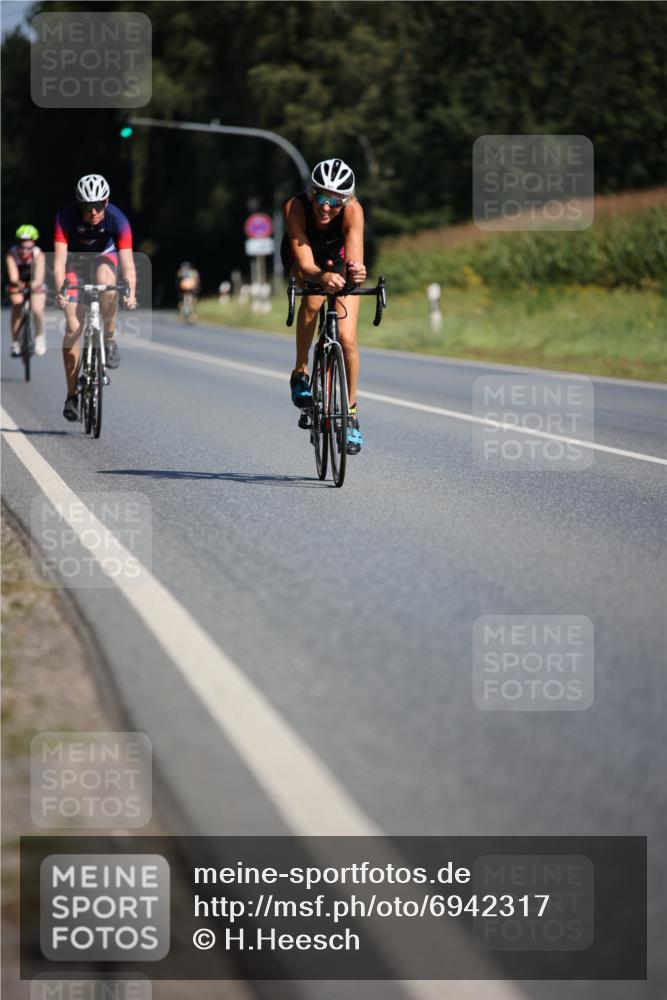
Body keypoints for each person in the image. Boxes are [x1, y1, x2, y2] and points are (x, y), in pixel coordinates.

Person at [281, 158, 366, 454]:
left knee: (347, 338)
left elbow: (354, 259)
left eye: (335, 201)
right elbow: (304, 266)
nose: (326, 206)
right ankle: (300, 372)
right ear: (310, 193)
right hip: (305, 257)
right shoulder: (295, 207)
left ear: (347, 201)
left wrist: (356, 273)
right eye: (320, 196)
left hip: (337, 259)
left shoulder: (354, 212)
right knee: (313, 299)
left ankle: (351, 416)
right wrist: (321, 276)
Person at [54, 174, 137, 422]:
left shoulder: (118, 220)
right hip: (75, 263)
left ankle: (109, 339)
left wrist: (130, 291)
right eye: (86, 206)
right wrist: (61, 290)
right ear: (77, 204)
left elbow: (129, 265)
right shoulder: (64, 218)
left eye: (98, 205)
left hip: (104, 258)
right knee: (73, 326)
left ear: (107, 201)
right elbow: (58, 262)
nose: (92, 212)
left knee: (108, 284)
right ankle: (71, 396)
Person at [5, 225, 47, 357]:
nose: (24, 251)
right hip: (17, 283)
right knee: (17, 304)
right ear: (18, 245)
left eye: (28, 248)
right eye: (22, 247)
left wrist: (33, 285)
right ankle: (15, 342)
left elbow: (39, 278)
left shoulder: (39, 255)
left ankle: (39, 336)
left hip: (35, 283)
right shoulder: (11, 254)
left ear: (33, 245)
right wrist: (18, 285)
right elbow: (13, 277)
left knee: (37, 309)